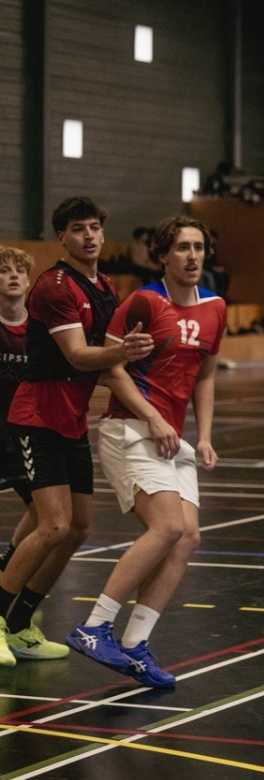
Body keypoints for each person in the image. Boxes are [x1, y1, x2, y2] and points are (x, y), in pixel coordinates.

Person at [67, 216, 225, 688]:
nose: (192, 256)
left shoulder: (216, 308)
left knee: (188, 537)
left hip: (174, 436)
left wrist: (205, 435)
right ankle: (94, 626)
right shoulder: (143, 301)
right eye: (182, 248)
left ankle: (135, 644)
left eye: (198, 247)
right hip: (131, 427)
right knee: (168, 526)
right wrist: (153, 417)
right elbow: (111, 368)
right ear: (164, 256)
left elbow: (207, 374)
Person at [0, 198, 153, 667]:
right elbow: (78, 355)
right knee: (53, 524)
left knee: (80, 527)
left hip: (71, 420)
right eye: (77, 229)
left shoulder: (104, 286)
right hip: (37, 415)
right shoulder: (55, 286)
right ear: (62, 238)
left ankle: (23, 624)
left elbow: (107, 358)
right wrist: (124, 352)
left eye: (94, 228)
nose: (88, 236)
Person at [0, 247, 44, 658]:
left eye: (19, 271)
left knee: (47, 514)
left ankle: (8, 566)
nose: (12, 276)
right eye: (4, 271)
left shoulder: (38, 330)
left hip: (24, 439)